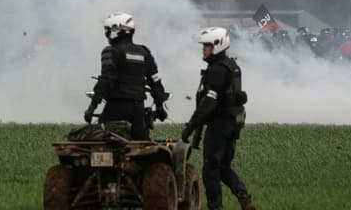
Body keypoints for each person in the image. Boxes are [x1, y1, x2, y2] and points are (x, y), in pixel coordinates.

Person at [181, 27, 255, 210]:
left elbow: (209, 103)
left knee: (210, 169)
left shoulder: (216, 70)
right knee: (222, 168)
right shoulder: (231, 65)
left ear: (218, 45)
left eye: (207, 46)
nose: (203, 49)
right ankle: (243, 196)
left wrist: (190, 128)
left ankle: (215, 207)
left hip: (220, 124)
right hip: (232, 124)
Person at [84, 13, 168, 140]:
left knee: (99, 141)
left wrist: (92, 107)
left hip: (117, 107)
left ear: (116, 30)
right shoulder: (144, 52)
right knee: (141, 146)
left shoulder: (111, 51)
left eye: (108, 30)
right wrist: (160, 107)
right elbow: (155, 82)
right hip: (138, 108)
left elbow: (106, 81)